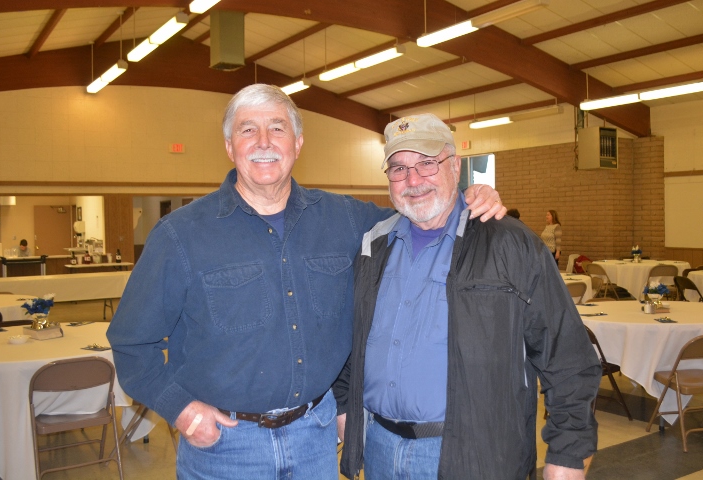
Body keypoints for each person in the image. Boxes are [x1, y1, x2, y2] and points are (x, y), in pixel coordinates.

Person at [106, 85, 505, 479]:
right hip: (225, 448)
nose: (264, 141)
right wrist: (182, 409)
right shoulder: (180, 235)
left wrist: (468, 197)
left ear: (297, 143)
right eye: (248, 130)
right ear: (229, 146)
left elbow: (419, 209)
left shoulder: (345, 219)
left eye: (277, 128)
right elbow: (130, 343)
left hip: (315, 440)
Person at [336, 114, 600, 480]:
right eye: (398, 168)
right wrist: (342, 403)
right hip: (381, 449)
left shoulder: (509, 243)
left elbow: (567, 355)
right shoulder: (372, 245)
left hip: (472, 456)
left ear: (455, 166)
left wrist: (569, 452)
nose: (413, 180)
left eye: (427, 163)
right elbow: (351, 339)